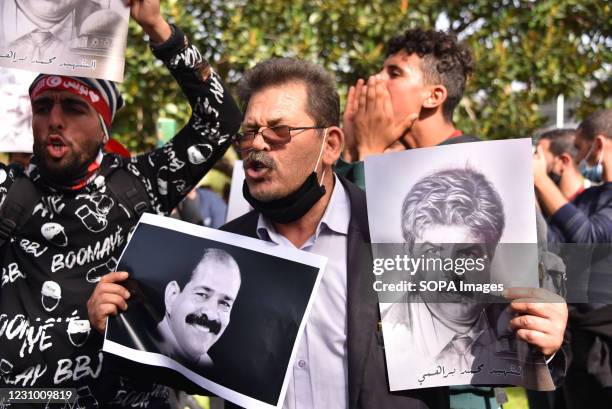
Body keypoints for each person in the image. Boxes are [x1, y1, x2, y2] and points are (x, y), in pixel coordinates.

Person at [218, 56, 565, 409]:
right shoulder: (225, 251)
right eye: (248, 132)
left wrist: (545, 341)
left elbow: (503, 339)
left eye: (279, 131)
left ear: (331, 145)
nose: (257, 144)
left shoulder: (398, 234)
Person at [0, 1, 241, 408]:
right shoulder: (9, 193)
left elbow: (220, 120)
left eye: (74, 107)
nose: (54, 119)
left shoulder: (140, 184)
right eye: (43, 107)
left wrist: (156, 27)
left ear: (104, 122)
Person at [336, 27, 568, 407]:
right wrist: (360, 155)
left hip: (462, 392)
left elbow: (541, 284)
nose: (376, 83)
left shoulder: (488, 170)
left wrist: (551, 326)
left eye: (394, 73)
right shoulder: (369, 161)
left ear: (434, 95)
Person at [382, 167, 559, 391]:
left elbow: (547, 379)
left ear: (491, 254)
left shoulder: (516, 319)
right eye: (433, 253)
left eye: (468, 254)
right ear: (409, 255)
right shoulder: (384, 334)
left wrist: (547, 350)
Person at [533, 109, 612, 409]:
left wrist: (541, 180)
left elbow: (587, 238)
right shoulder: (590, 199)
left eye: (580, 147)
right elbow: (555, 248)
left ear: (600, 145)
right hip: (579, 343)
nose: (578, 157)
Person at [157, 248, 241, 369]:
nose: (212, 314)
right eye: (202, 295)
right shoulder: (139, 346)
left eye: (224, 303)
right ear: (172, 296)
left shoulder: (211, 370)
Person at [536, 128, 590, 202]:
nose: (534, 161)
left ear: (563, 162)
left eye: (539, 156)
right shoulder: (544, 203)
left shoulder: (591, 206)